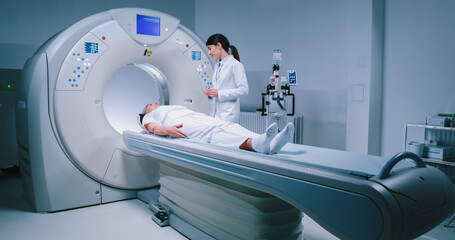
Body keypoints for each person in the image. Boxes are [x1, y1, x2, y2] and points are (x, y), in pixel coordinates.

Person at [141, 103, 293, 154]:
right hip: (179, 124)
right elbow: (153, 128)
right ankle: (253, 144)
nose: (154, 103)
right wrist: (167, 130)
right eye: (150, 104)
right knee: (213, 133)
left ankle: (268, 141)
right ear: (147, 111)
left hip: (194, 116)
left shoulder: (172, 106)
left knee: (227, 125)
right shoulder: (149, 116)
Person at [204, 33, 248, 123]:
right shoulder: (217, 66)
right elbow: (221, 87)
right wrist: (211, 92)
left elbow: (244, 90)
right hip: (215, 114)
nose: (209, 53)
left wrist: (219, 94)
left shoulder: (236, 65)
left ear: (219, 45)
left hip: (228, 115)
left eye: (210, 48)